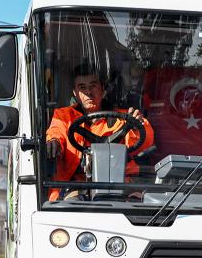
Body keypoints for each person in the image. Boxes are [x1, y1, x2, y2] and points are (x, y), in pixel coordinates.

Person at [45, 65, 155, 199]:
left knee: (141, 202)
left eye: (93, 86)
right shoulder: (63, 116)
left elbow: (146, 141)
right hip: (76, 185)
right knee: (72, 205)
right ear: (75, 92)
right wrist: (53, 142)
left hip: (121, 185)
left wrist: (137, 126)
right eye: (82, 87)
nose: (88, 92)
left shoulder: (124, 118)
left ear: (102, 88)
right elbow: (56, 132)